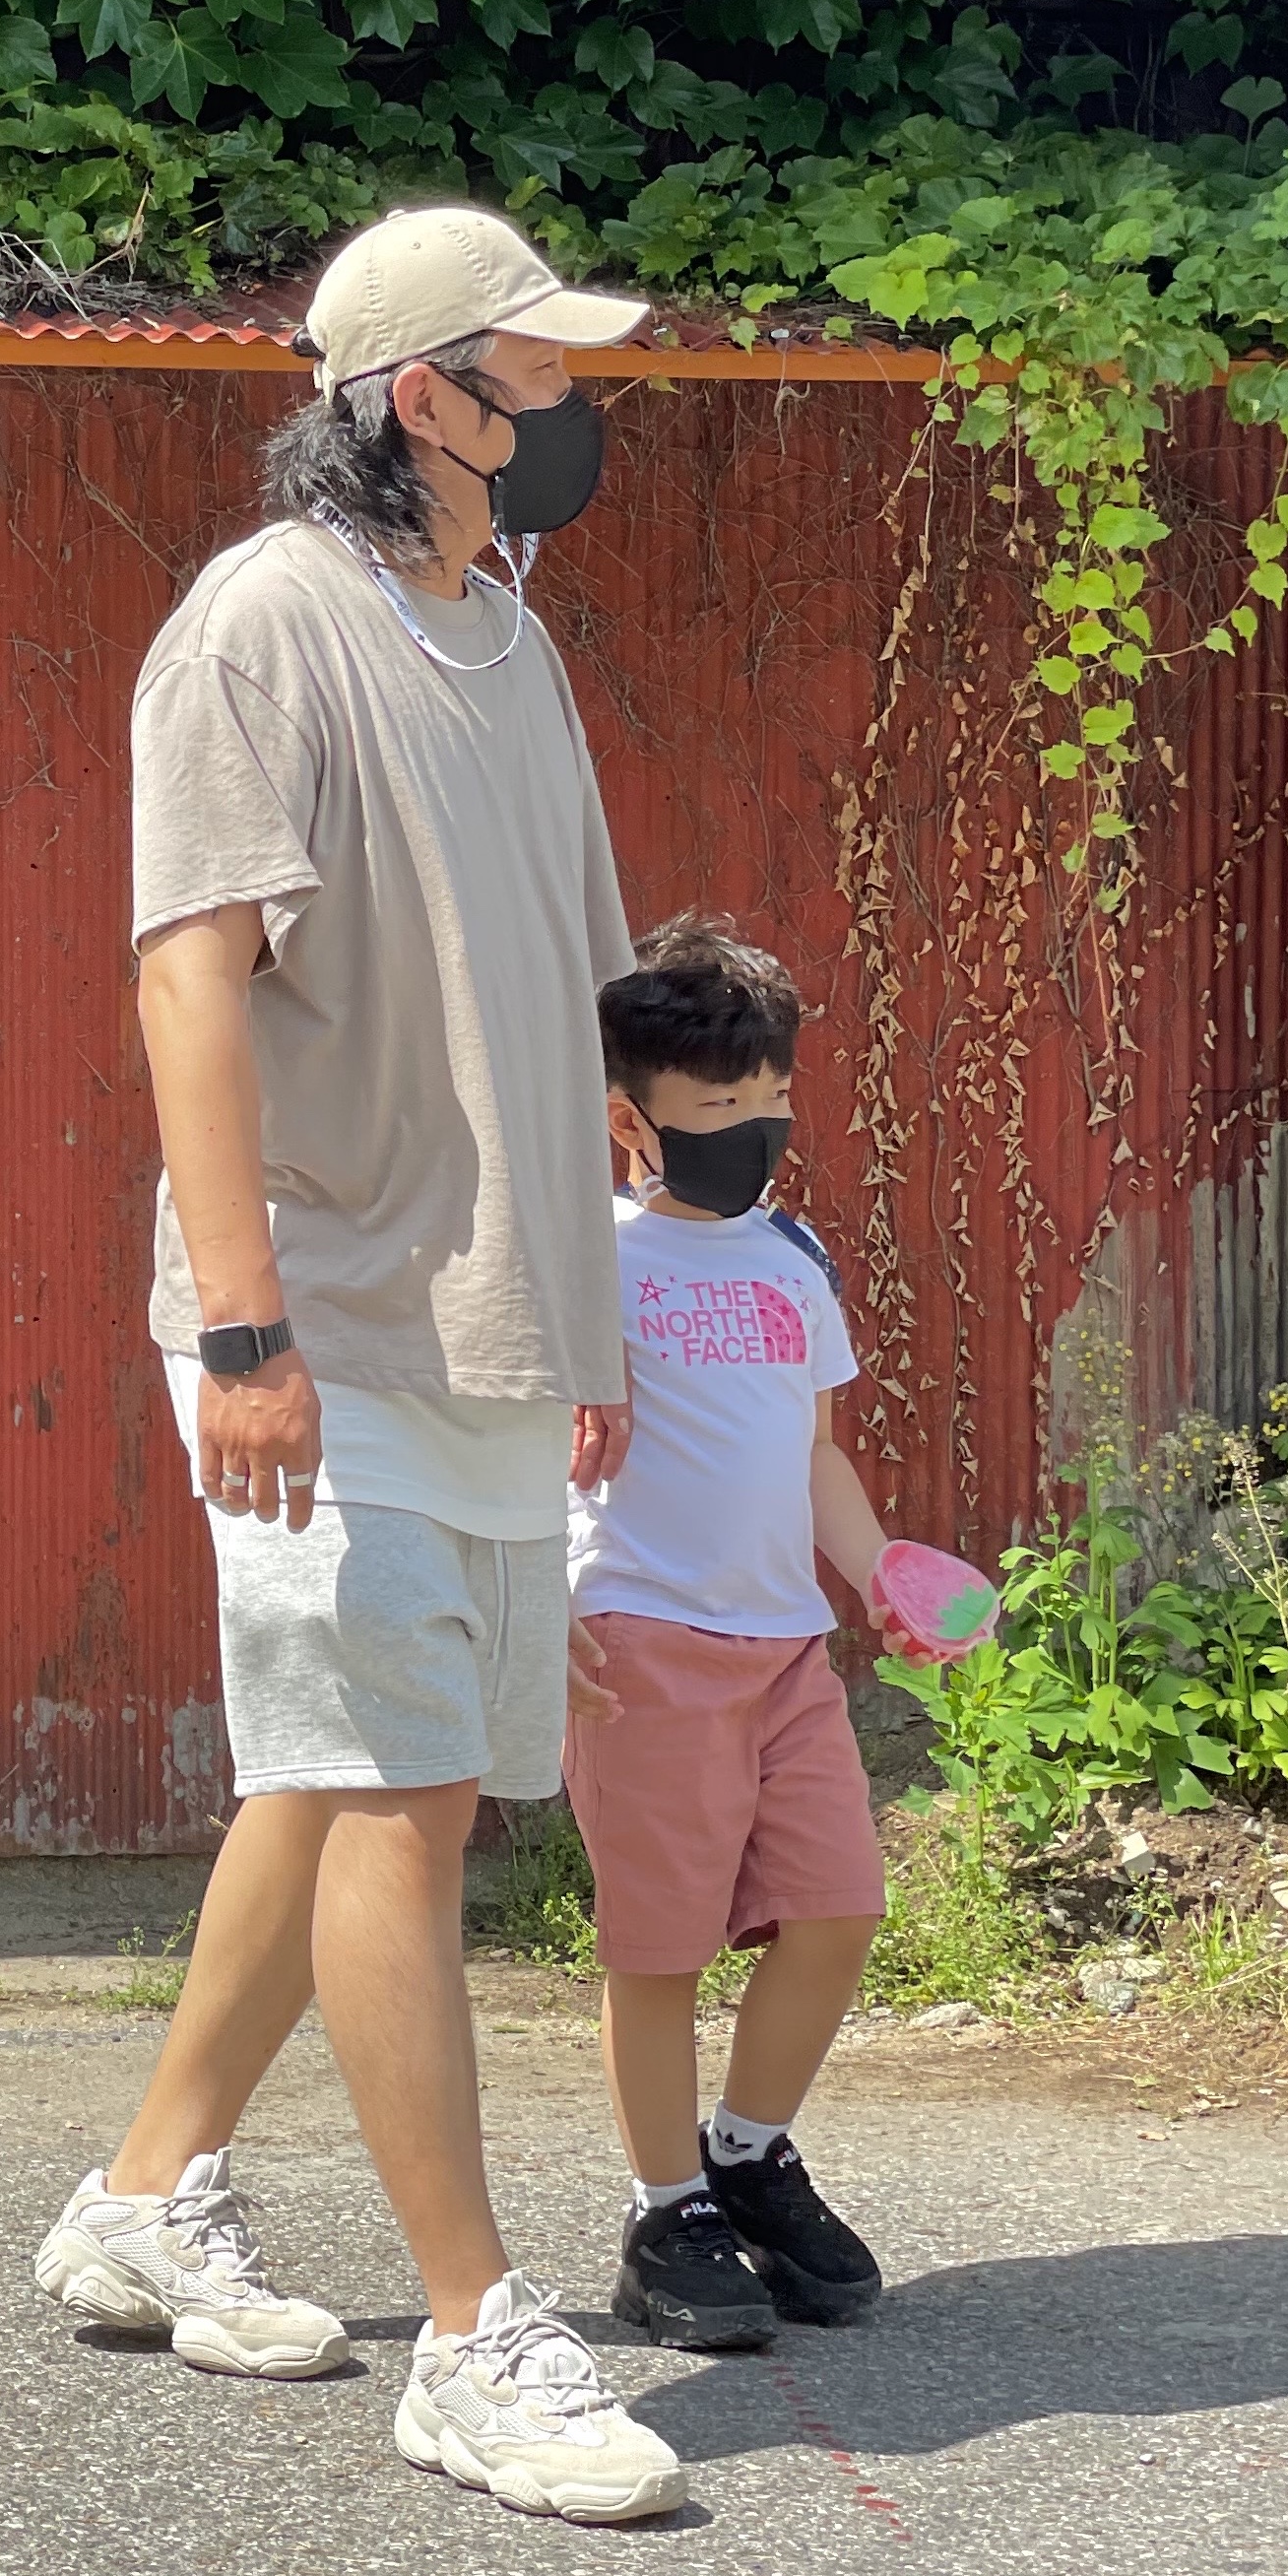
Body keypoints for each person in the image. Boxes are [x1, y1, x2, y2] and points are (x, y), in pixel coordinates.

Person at [30, 206, 687, 2526]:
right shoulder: (264, 625)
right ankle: (476, 2338)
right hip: (318, 1314)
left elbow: (564, 986)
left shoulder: (512, 635)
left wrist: (587, 1297)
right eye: (539, 369)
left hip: (488, 1314)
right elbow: (187, 974)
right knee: (402, 1795)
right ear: (426, 396)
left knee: (336, 1784)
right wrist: (243, 1329)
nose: (573, 405)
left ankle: (143, 2196)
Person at [562, 917, 895, 2353]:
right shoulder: (589, 1262)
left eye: (771, 1101)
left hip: (785, 1647)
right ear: (629, 1120)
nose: (752, 1131)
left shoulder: (794, 1258)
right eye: (716, 1109)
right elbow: (533, 1447)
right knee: (661, 1947)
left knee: (838, 1909)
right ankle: (667, 2214)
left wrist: (878, 1576)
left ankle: (748, 2156)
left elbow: (813, 1452)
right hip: (640, 1642)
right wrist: (543, 1604)